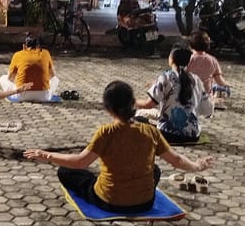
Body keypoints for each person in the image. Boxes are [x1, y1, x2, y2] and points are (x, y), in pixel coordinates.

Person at [24, 80, 214, 213]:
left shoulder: (106, 132)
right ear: (133, 104)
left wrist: (46, 155)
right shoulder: (151, 131)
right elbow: (177, 160)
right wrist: (197, 165)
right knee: (154, 170)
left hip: (109, 202)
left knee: (65, 172)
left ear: (109, 109)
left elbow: (79, 162)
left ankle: (106, 184)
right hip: (144, 203)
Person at [136, 46, 213, 144]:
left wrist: (131, 101)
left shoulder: (165, 77)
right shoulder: (196, 80)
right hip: (192, 136)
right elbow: (208, 111)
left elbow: (148, 104)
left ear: (171, 59)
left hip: (168, 134)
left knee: (137, 117)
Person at [0, 34, 59, 101]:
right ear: (38, 46)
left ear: (24, 46)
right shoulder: (46, 53)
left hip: (21, 95)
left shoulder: (18, 54)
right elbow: (52, 75)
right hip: (43, 96)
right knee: (55, 79)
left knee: (3, 78)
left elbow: (10, 78)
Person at [187, 30, 229, 97]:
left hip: (189, 96)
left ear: (190, 45)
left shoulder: (188, 60)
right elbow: (219, 80)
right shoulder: (212, 60)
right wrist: (226, 86)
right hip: (206, 97)